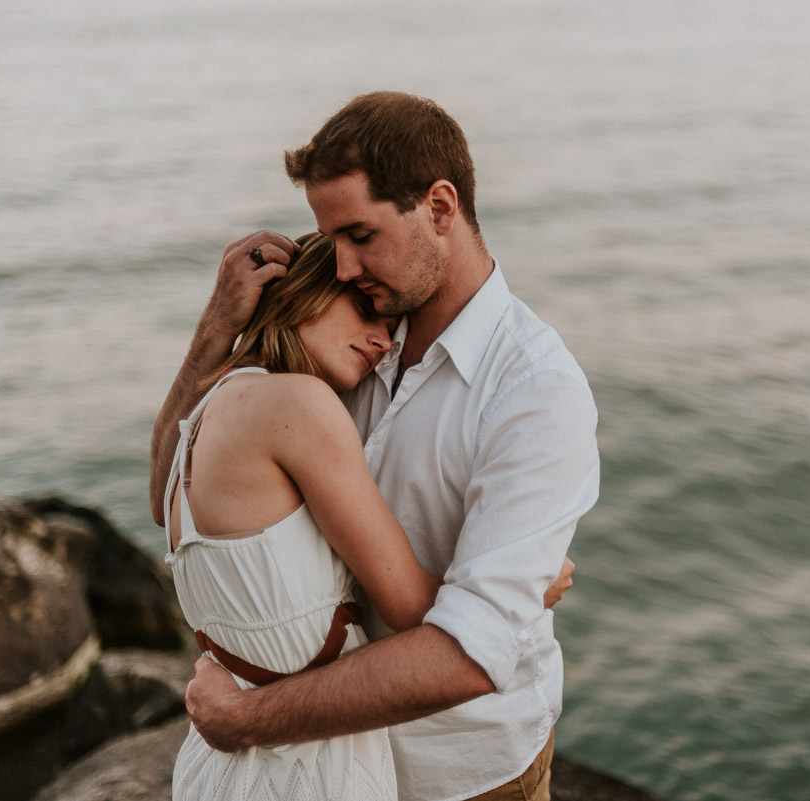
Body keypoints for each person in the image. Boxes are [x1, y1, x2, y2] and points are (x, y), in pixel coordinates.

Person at [150, 91, 599, 801]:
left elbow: (467, 653)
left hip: (464, 776)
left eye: (360, 235)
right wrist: (215, 334)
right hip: (328, 769)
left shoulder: (535, 390)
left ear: (440, 208)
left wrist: (249, 717)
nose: (344, 265)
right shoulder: (342, 351)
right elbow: (172, 488)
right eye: (330, 242)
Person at [162, 232, 445, 799]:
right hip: (310, 772)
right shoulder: (297, 404)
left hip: (221, 772)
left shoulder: (202, 417)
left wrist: (217, 327)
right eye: (366, 308)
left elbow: (154, 498)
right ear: (300, 294)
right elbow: (413, 609)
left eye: (392, 327)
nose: (385, 342)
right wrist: (523, 582)